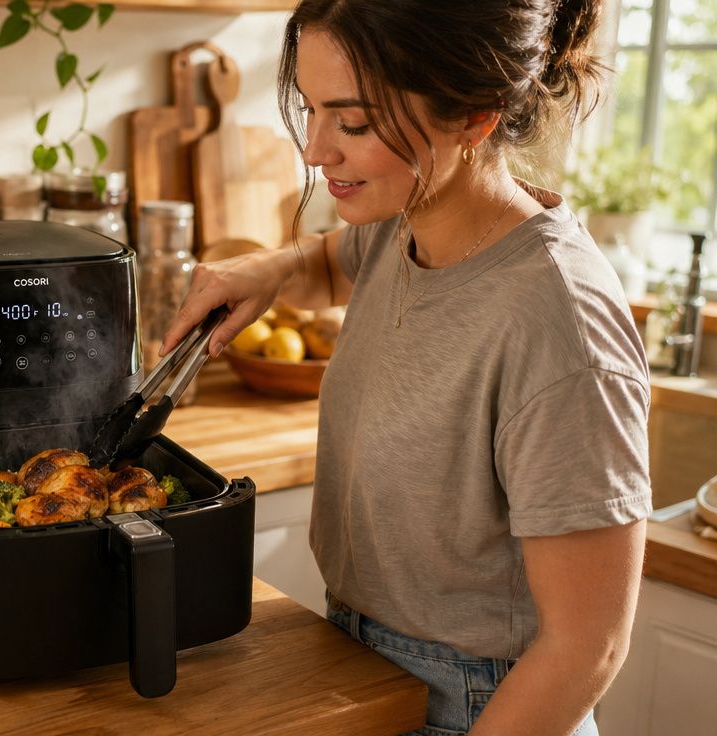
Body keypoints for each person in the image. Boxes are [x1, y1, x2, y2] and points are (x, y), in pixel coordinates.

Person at [160, 1, 650, 734]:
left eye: (352, 123)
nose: (317, 150)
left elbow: (588, 647)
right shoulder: (408, 225)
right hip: (359, 665)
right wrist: (267, 269)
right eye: (311, 111)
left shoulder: (560, 322)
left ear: (475, 115)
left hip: (484, 705)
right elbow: (333, 262)